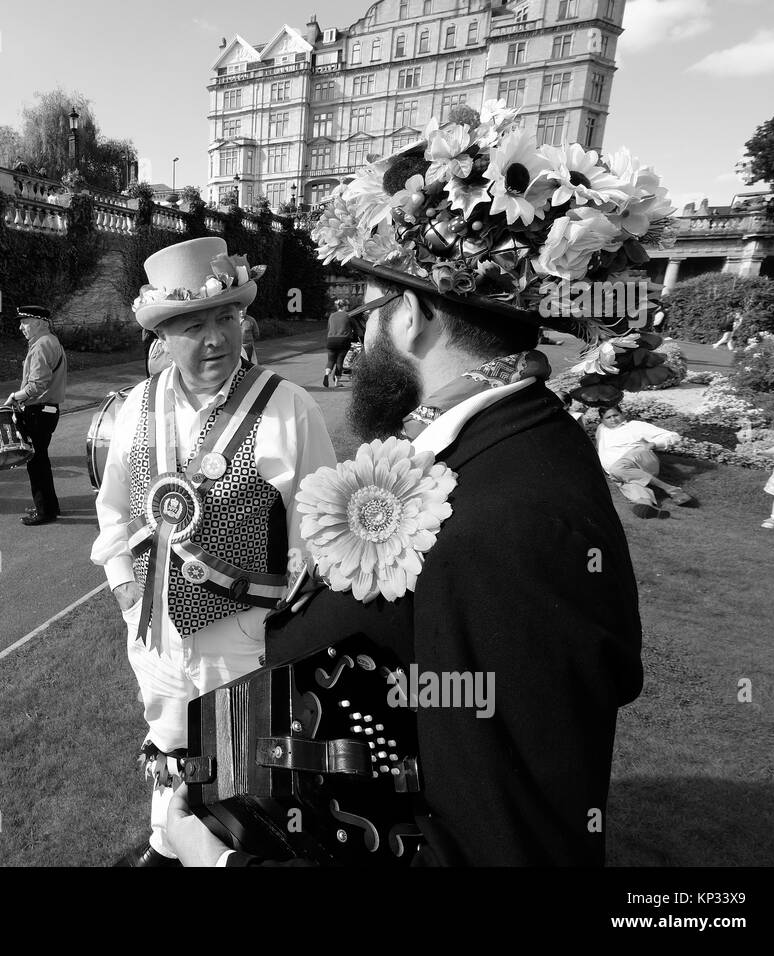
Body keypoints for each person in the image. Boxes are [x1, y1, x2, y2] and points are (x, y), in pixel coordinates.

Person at [165, 111, 653, 867]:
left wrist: (229, 864)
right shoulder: (488, 440)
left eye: (369, 315)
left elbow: (507, 846)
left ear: (416, 317)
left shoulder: (510, 520)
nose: (359, 340)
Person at [91, 236, 336, 866]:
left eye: (226, 318)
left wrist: (287, 628)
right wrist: (123, 588)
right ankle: (164, 842)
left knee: (244, 770)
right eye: (194, 324)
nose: (215, 339)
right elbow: (114, 511)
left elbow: (321, 539)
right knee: (170, 747)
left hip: (248, 635)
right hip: (155, 631)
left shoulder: (289, 407)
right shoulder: (137, 408)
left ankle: (234, 856)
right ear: (163, 336)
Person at [5, 305, 66, 526]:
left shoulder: (42, 345)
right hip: (47, 411)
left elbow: (36, 386)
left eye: (25, 322)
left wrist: (15, 396)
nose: (21, 327)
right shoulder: (50, 341)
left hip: (39, 411)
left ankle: (45, 511)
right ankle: (49, 507)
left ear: (40, 322)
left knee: (36, 462)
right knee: (40, 461)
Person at [596, 405, 695, 518]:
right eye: (608, 417)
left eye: (616, 415)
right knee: (633, 487)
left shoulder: (635, 426)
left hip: (639, 458)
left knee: (618, 469)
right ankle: (647, 506)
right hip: (621, 473)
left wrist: (654, 444)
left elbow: (673, 436)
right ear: (602, 420)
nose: (613, 419)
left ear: (622, 414)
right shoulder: (601, 429)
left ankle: (670, 489)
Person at [324, 298, 354, 388]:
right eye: (347, 306)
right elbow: (354, 327)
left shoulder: (332, 315)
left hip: (331, 340)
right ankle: (337, 382)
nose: (348, 307)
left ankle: (326, 374)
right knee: (339, 361)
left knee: (330, 360)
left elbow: (328, 328)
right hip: (343, 340)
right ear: (344, 306)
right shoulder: (348, 315)